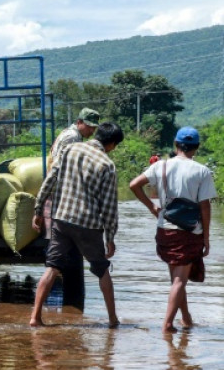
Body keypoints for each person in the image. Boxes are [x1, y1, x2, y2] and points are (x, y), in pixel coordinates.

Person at [30, 122, 125, 328]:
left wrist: (38, 211)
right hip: (88, 225)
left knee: (52, 267)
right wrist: (110, 238)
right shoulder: (107, 165)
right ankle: (112, 319)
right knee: (102, 270)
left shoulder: (69, 149)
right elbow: (109, 207)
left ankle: (35, 317)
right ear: (112, 145)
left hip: (61, 219)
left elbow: (50, 180)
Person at [128, 126, 216, 333]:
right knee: (179, 281)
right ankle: (168, 324)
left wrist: (152, 207)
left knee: (177, 279)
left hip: (165, 230)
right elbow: (205, 206)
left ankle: (186, 319)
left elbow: (134, 185)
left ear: (176, 145)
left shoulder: (161, 166)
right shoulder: (202, 171)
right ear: (196, 148)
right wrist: (206, 238)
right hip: (189, 232)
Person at [41, 107, 100, 238]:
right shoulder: (72, 137)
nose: (92, 130)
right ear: (79, 122)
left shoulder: (70, 133)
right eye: (89, 126)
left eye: (94, 128)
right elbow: (63, 165)